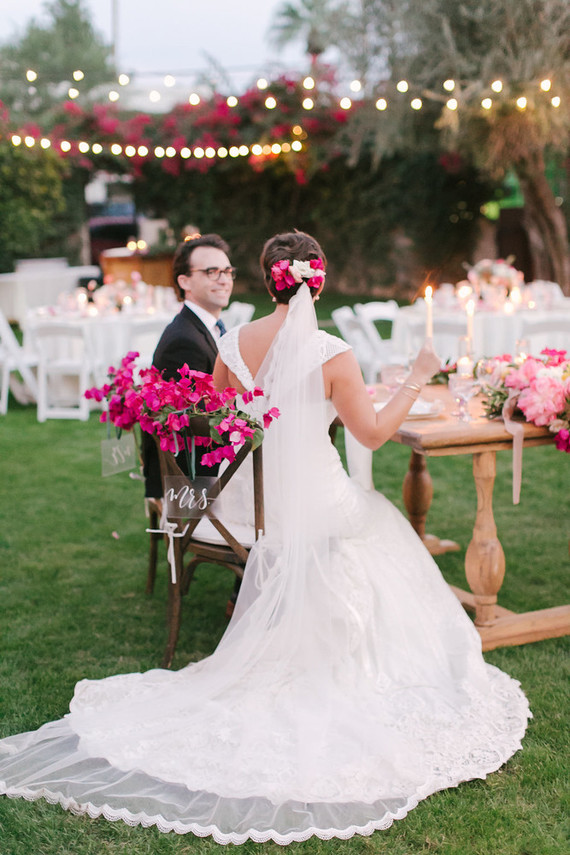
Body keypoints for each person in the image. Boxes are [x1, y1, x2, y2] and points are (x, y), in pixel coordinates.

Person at [0, 231, 530, 846]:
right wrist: (415, 376)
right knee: (375, 522)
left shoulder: (233, 343)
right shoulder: (333, 353)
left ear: (267, 278)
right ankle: (352, 648)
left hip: (250, 505)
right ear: (318, 283)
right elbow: (372, 434)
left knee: (363, 522)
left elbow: (223, 424)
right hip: (313, 498)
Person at [142, 232, 236, 498]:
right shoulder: (183, 341)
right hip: (196, 479)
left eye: (227, 271)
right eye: (211, 272)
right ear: (184, 281)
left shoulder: (208, 328)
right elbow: (193, 426)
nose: (224, 279)